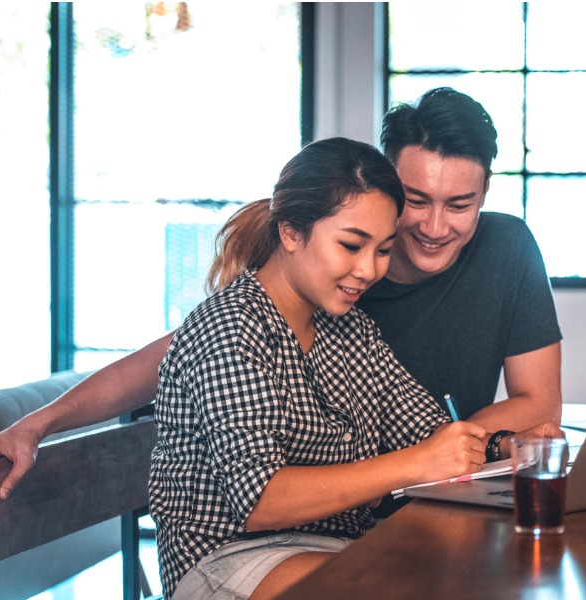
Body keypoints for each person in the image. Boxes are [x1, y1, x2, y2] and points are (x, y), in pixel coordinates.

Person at [0, 87, 562, 502]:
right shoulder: (320, 275)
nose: (435, 227)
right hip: (336, 501)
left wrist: (462, 454)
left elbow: (537, 401)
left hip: (415, 488)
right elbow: (182, 352)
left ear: (485, 193)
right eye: (416, 200)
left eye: (459, 205)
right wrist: (39, 421)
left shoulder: (500, 249)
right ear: (388, 186)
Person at [150, 137, 488, 599]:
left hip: (334, 545)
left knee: (470, 571)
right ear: (290, 232)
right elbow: (259, 500)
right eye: (352, 245)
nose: (369, 270)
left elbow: (427, 432)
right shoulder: (231, 328)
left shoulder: (352, 330)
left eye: (384, 250)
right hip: (229, 560)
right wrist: (411, 464)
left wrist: (508, 446)